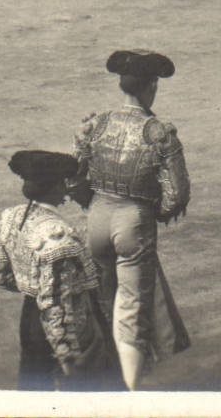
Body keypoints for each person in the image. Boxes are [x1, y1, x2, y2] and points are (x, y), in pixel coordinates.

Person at [72, 50, 192, 390]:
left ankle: (105, 375)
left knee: (105, 298)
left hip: (96, 219)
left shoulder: (95, 124)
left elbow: (75, 178)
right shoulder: (158, 132)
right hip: (133, 222)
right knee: (132, 309)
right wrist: (152, 213)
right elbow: (178, 194)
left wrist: (92, 203)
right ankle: (130, 391)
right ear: (152, 86)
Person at [0, 150, 122, 391]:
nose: (65, 190)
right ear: (53, 188)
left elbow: (3, 277)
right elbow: (56, 305)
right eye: (62, 183)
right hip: (70, 323)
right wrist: (68, 355)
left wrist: (32, 283)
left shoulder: (11, 218)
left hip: (29, 316)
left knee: (34, 386)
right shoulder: (58, 237)